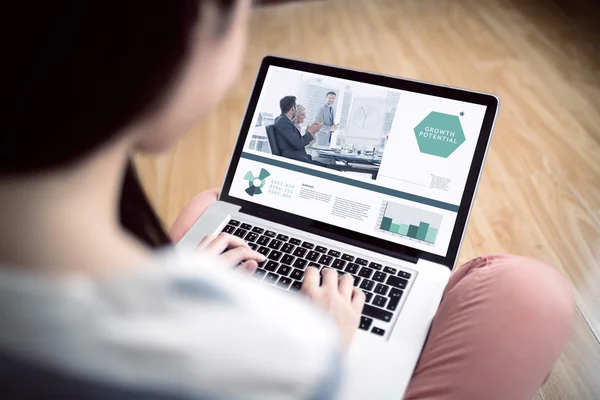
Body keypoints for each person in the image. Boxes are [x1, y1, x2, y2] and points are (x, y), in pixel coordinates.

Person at [0, 1, 573, 399]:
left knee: (213, 207)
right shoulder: (287, 353)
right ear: (173, 42)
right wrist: (326, 347)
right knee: (528, 291)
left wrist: (172, 274)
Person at [273, 96, 322, 162]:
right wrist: (310, 132)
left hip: (300, 157)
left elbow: (297, 142)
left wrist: (312, 132)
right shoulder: (283, 121)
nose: (305, 116)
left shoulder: (284, 121)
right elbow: (298, 144)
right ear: (293, 108)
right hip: (297, 159)